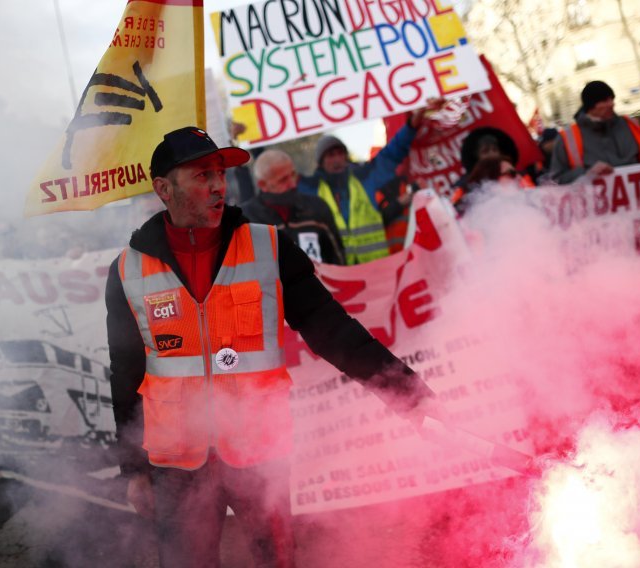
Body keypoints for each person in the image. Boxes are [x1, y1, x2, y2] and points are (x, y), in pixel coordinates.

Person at [105, 126, 439, 568]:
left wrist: (405, 391)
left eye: (220, 174)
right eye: (202, 175)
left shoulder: (268, 247)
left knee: (276, 562)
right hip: (178, 465)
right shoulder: (128, 270)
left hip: (258, 452)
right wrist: (134, 470)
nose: (218, 186)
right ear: (164, 189)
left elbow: (333, 330)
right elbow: (126, 372)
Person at [297, 104, 436, 265]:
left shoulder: (364, 177)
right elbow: (278, 180)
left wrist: (412, 124)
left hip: (377, 268)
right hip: (339, 273)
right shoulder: (310, 188)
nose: (336, 159)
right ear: (321, 161)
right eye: (330, 155)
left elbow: (392, 154)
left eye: (340, 153)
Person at [549, 80, 640, 184]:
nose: (611, 103)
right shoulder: (568, 137)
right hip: (595, 204)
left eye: (612, 99)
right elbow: (558, 178)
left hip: (639, 200)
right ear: (591, 106)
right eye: (604, 100)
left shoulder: (630, 124)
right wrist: (587, 173)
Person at [242, 149, 345, 264]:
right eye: (283, 180)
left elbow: (338, 258)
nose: (293, 183)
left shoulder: (317, 207)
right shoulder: (247, 219)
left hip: (319, 281)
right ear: (263, 185)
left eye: (293, 174)